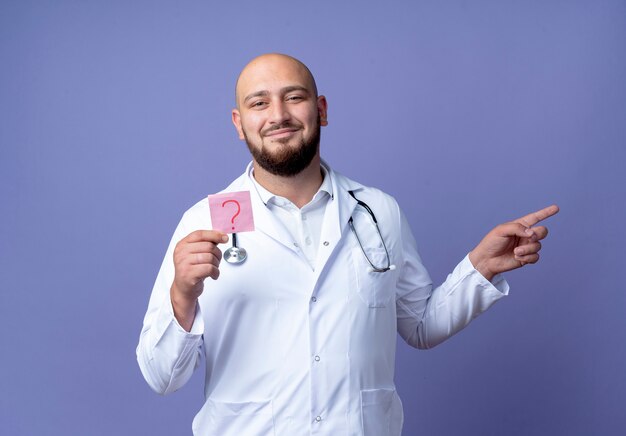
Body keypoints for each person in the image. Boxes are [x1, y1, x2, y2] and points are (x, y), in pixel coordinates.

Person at [137, 53, 558, 435]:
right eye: (259, 103)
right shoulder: (202, 222)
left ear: (320, 111)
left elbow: (420, 326)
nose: (278, 115)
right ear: (238, 123)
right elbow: (161, 377)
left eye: (294, 97)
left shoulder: (378, 212)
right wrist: (182, 295)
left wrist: (479, 268)